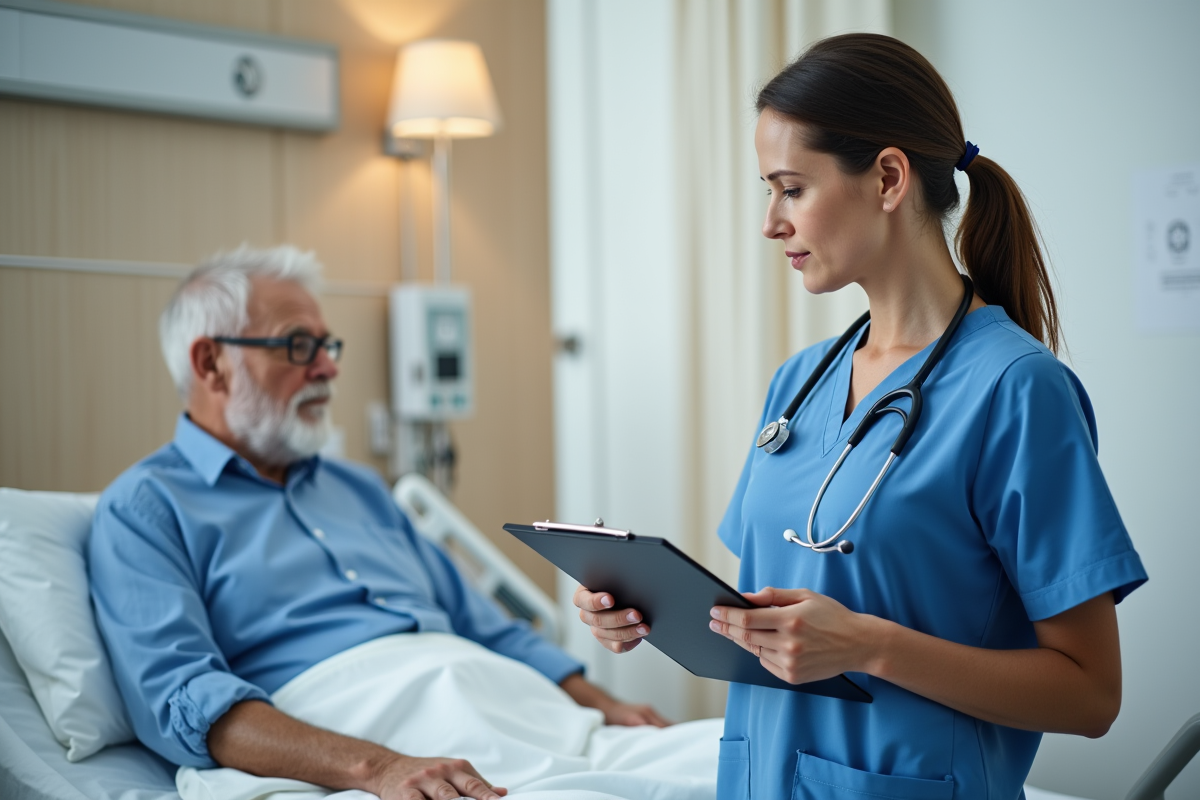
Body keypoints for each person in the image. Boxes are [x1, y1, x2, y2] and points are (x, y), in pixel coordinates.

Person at [574, 33, 1147, 799]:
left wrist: (871, 647)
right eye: (767, 191)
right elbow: (779, 621)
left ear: (887, 178)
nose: (771, 222)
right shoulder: (799, 384)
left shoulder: (1017, 391)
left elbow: (1090, 695)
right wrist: (648, 609)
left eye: (791, 189)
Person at [88, 245, 670, 800]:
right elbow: (191, 703)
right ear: (211, 363)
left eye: (326, 346)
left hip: (507, 702)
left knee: (701, 763)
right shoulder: (145, 510)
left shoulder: (360, 488)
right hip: (365, 724)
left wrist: (605, 708)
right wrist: (381, 766)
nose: (327, 368)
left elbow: (488, 628)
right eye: (298, 346)